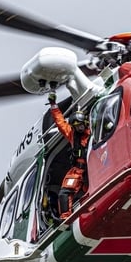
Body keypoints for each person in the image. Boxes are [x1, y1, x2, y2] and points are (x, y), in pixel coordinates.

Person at [48, 91, 90, 219]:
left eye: (81, 125)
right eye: (77, 127)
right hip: (77, 170)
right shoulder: (72, 135)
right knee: (64, 193)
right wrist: (53, 105)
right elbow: (60, 122)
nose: (80, 128)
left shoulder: (93, 131)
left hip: (93, 165)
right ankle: (66, 217)